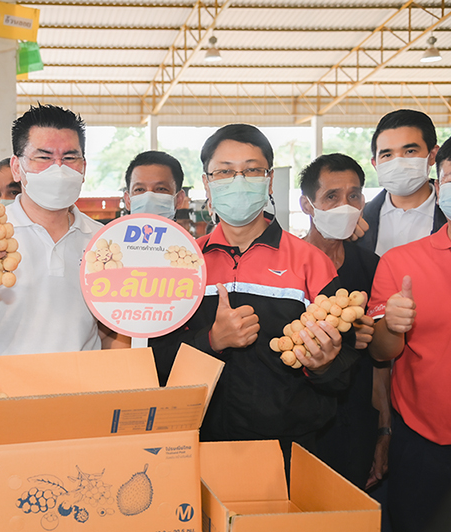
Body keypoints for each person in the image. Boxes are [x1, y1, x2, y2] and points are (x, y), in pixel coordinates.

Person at [149, 124, 359, 469]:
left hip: (287, 452)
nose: (238, 180)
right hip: (194, 447)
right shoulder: (183, 262)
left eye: (251, 170)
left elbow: (344, 368)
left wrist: (324, 364)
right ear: (207, 182)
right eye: (225, 172)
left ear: (269, 179)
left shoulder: (310, 263)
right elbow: (157, 359)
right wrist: (213, 341)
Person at [0, 104, 128, 356]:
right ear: (17, 167)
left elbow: (111, 330)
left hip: (84, 389)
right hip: (4, 389)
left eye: (70, 158)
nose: (59, 168)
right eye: (44, 157)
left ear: (83, 167)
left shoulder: (103, 242)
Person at [367, 131, 451, 532]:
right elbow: (381, 353)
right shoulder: (401, 262)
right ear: (439, 187)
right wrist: (392, 324)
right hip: (426, 442)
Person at [298, 153, 391, 490]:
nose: (345, 205)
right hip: (302, 427)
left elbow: (382, 364)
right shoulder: (288, 265)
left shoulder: (371, 265)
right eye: (332, 196)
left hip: (357, 424)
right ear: (307, 205)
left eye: (354, 195)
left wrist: (383, 430)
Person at [355, 109, 444, 257]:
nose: (398, 162)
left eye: (410, 151)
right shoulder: (358, 222)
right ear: (375, 163)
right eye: (387, 155)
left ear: (433, 155)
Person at [123, 150, 186, 219]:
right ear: (127, 200)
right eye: (139, 189)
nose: (149, 198)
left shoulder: (182, 230)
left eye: (161, 189)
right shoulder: (113, 230)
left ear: (179, 199)